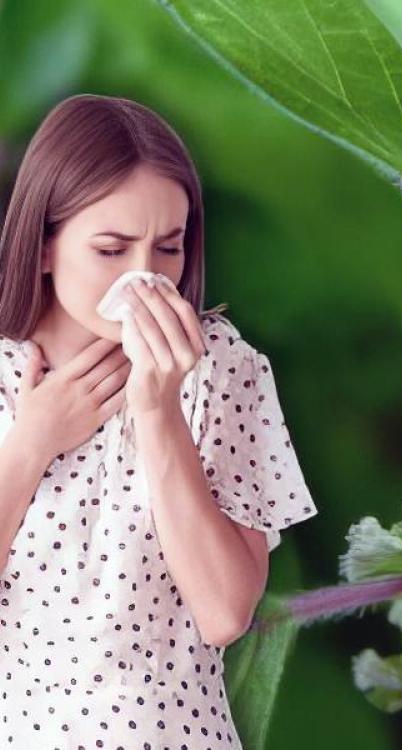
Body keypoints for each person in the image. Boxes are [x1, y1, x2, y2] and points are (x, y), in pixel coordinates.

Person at [0, 93, 319, 747]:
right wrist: (29, 444)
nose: (145, 281)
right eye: (112, 250)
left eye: (168, 249)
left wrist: (158, 410)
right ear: (43, 248)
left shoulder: (224, 367)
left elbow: (226, 612)